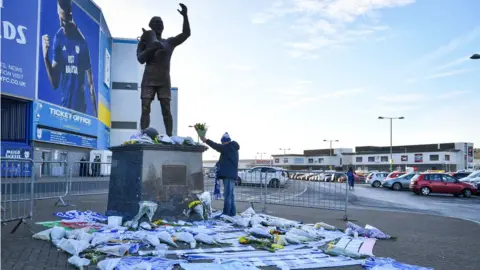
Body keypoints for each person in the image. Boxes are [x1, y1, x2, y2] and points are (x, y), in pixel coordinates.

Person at [137, 3, 191, 136]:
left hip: (164, 80)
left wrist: (185, 16)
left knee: (166, 110)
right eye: (156, 22)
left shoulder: (169, 42)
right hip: (148, 79)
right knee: (145, 108)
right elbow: (140, 58)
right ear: (151, 25)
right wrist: (152, 47)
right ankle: (143, 135)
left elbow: (186, 34)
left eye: (161, 22)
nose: (159, 24)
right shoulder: (145, 41)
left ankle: (170, 137)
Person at [42, 0, 97, 116]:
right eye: (59, 19)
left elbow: (90, 84)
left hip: (80, 111)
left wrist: (96, 117)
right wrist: (45, 56)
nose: (61, 24)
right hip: (64, 108)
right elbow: (54, 84)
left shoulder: (82, 43)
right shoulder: (58, 37)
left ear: (70, 16)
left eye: (64, 20)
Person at [201, 133, 240, 217]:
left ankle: (226, 213)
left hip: (229, 176)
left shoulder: (229, 147)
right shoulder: (231, 148)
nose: (222, 144)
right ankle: (232, 213)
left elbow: (217, 146)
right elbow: (225, 159)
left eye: (222, 142)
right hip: (231, 175)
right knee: (231, 195)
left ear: (225, 141)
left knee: (228, 195)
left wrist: (206, 140)